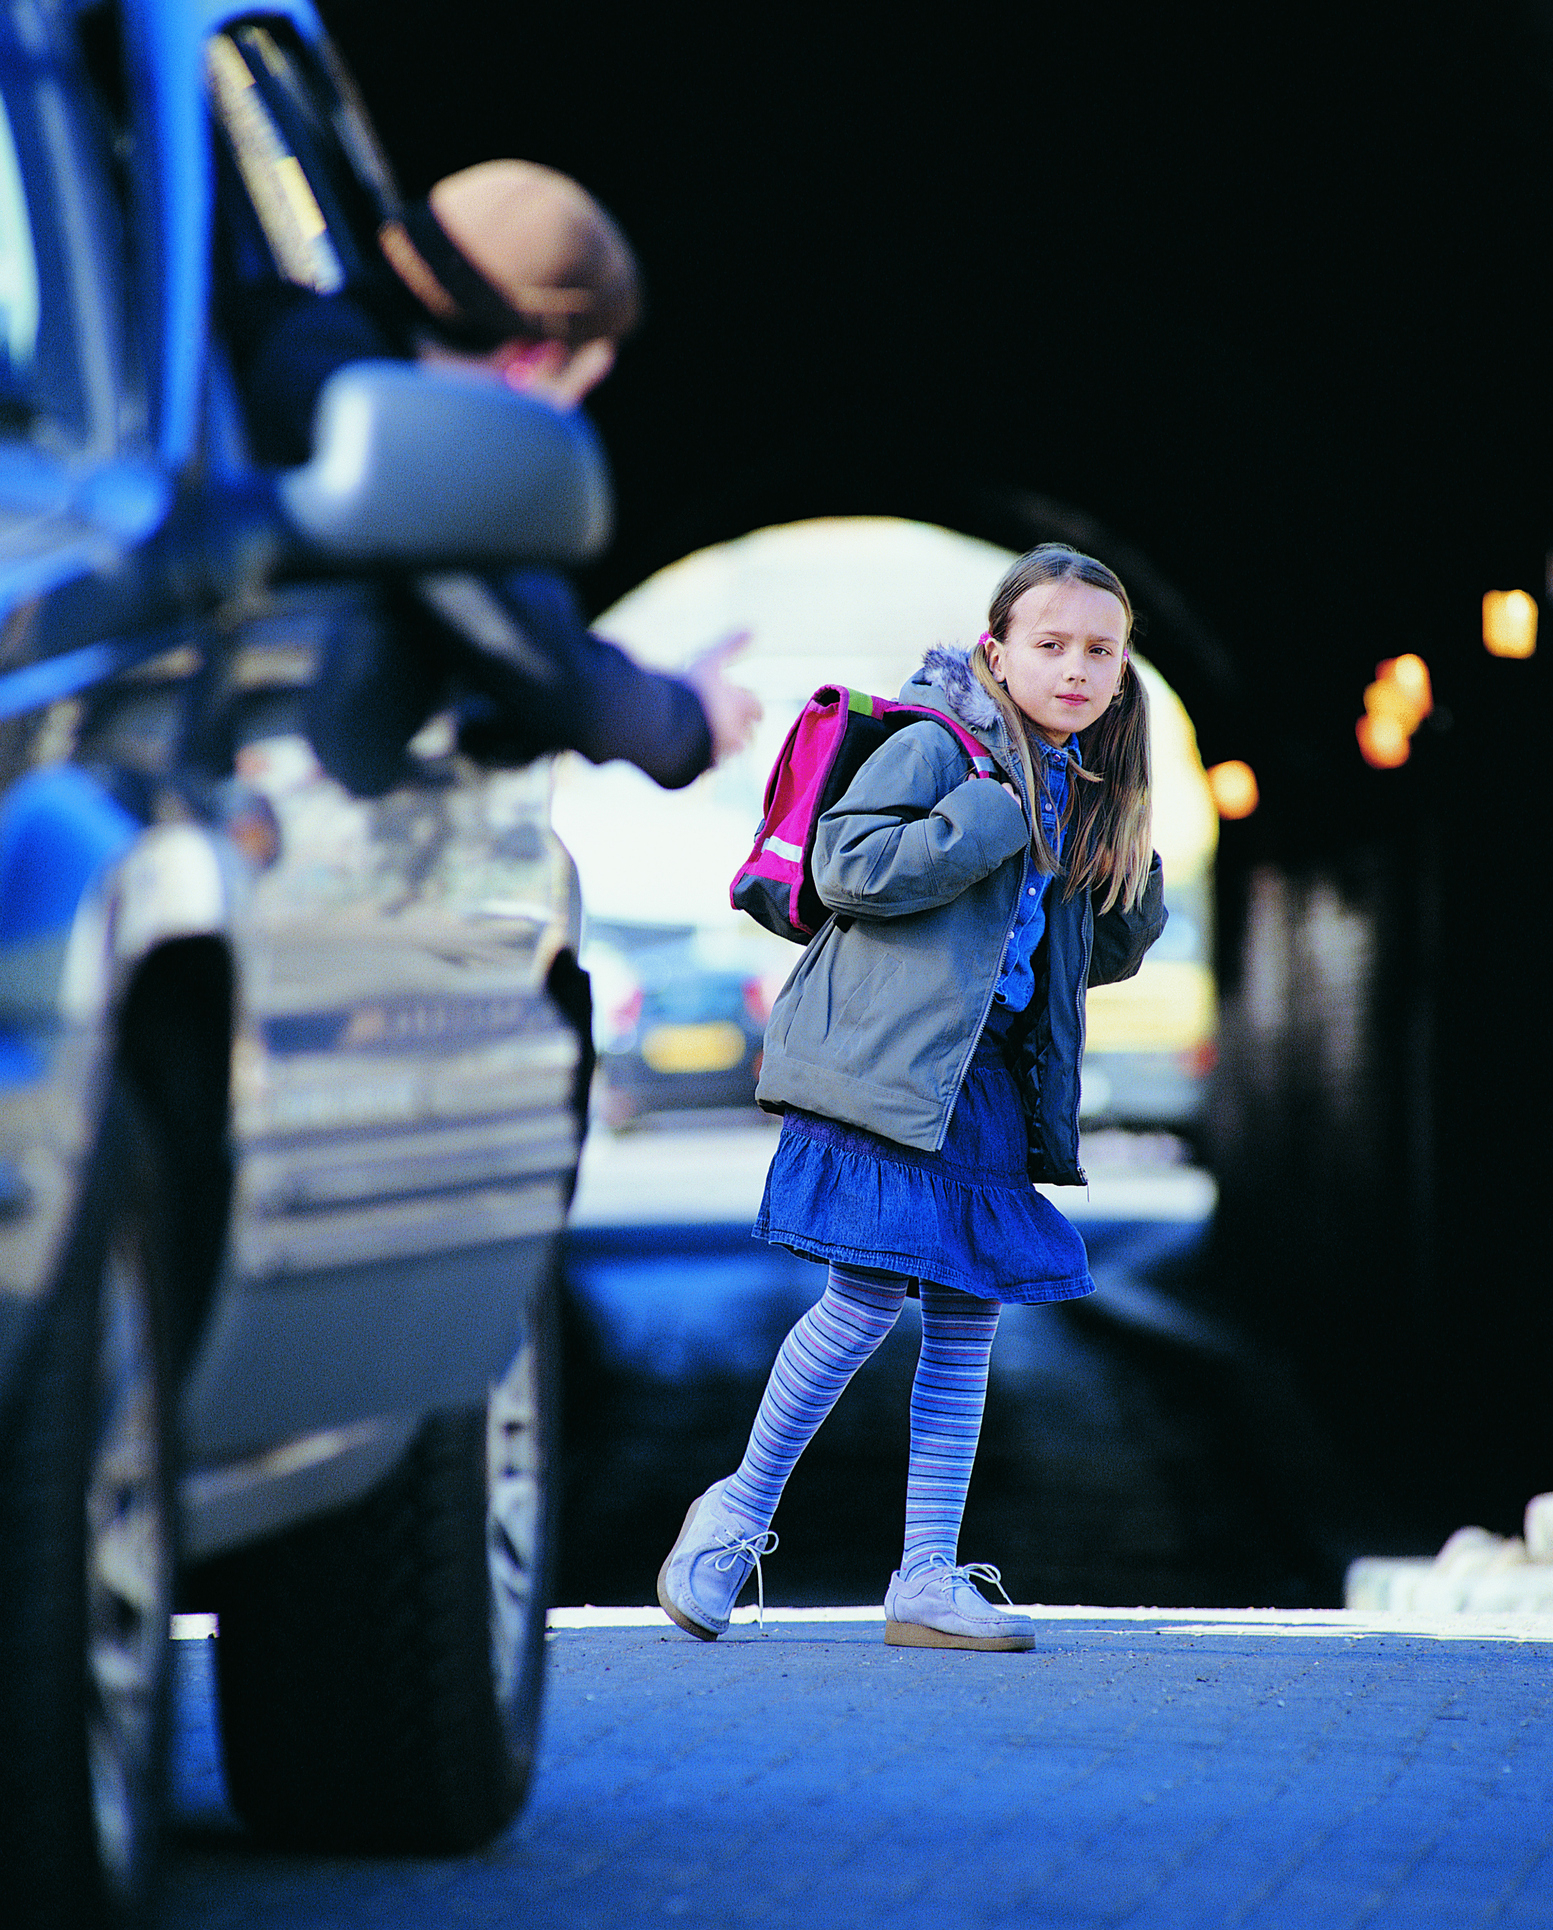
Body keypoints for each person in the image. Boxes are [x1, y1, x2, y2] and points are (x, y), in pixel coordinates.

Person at [657, 544, 1166, 1651]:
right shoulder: (937, 744)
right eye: (1049, 645)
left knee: (967, 1324)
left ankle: (926, 1578)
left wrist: (1126, 860)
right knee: (860, 1303)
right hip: (890, 1070)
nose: (1073, 668)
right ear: (996, 650)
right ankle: (731, 1515)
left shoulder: (1078, 781)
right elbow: (847, 868)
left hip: (982, 1084)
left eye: (1099, 651)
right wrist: (992, 814)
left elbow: (1087, 957)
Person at [220, 156, 758, 790]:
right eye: (571, 395)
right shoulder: (372, 432)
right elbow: (533, 653)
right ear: (530, 364)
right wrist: (689, 719)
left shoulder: (285, 349)